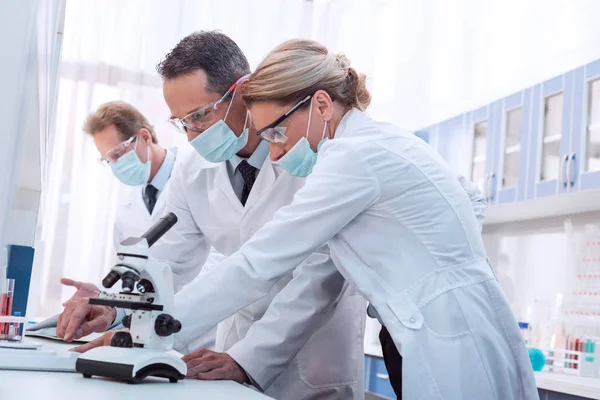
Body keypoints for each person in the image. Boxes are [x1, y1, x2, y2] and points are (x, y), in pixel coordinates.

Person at [85, 39, 536, 399]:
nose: (275, 151)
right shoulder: (367, 145)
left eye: (278, 132)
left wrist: (153, 332)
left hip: (445, 335)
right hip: (430, 331)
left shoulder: (353, 157)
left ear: (321, 105)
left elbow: (260, 262)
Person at [58, 31, 366, 400]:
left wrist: (250, 359)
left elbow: (321, 277)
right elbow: (167, 262)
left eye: (201, 115)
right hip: (227, 353)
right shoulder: (192, 171)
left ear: (243, 90)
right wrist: (114, 310)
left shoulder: (312, 154)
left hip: (313, 357)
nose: (191, 136)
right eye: (180, 122)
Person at [53, 101, 216, 350]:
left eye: (118, 153)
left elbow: (219, 261)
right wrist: (104, 297)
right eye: (108, 159)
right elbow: (133, 278)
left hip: (202, 331)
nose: (115, 165)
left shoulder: (198, 176)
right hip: (150, 333)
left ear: (143, 136)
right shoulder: (125, 212)